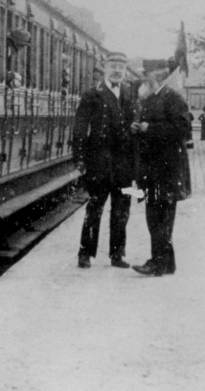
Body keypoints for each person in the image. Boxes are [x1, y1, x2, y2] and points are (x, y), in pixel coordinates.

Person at [73, 52, 134, 269]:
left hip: (124, 163)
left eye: (121, 66)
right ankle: (85, 253)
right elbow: (80, 128)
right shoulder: (92, 94)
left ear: (125, 70)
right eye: (113, 66)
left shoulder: (129, 92)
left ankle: (117, 255)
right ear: (104, 68)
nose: (117, 70)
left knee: (121, 209)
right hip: (99, 160)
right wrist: (80, 158)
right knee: (95, 207)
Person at [131, 68, 191, 276]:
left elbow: (182, 129)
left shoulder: (173, 98)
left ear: (156, 80)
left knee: (160, 217)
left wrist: (149, 128)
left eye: (145, 81)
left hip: (167, 170)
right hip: (153, 169)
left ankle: (157, 262)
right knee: (157, 217)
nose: (142, 85)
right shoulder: (152, 99)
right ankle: (166, 263)